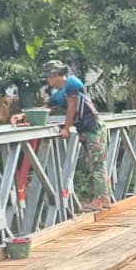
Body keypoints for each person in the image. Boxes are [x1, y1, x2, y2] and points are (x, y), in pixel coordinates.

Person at [41, 60, 111, 211]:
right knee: (96, 163)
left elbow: (72, 106)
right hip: (85, 129)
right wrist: (22, 116)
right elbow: (46, 107)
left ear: (55, 75)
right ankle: (104, 198)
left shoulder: (72, 82)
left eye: (48, 77)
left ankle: (98, 200)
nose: (47, 80)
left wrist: (66, 128)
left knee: (97, 164)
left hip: (93, 127)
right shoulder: (59, 93)